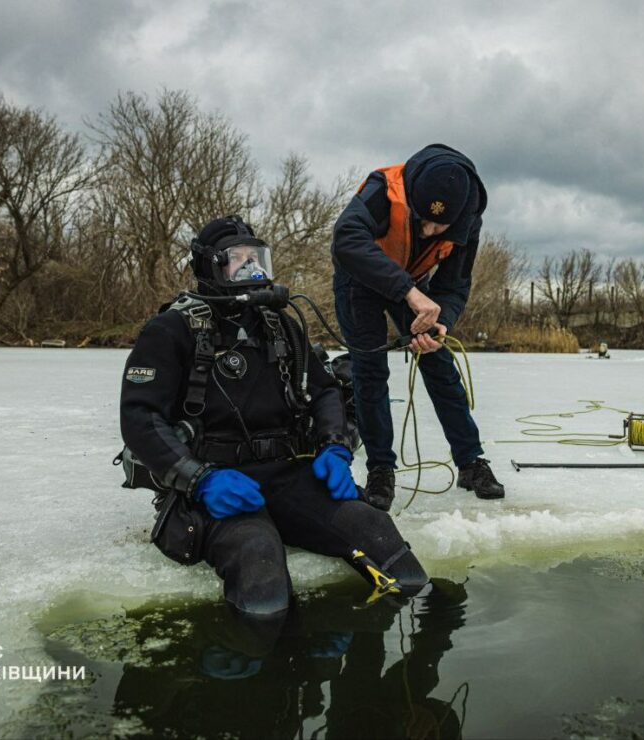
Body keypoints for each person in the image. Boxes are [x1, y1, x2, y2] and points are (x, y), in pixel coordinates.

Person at [119, 215, 429, 627]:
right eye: (238, 262)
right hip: (217, 481)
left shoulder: (281, 325)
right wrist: (198, 479)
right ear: (210, 267)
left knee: (372, 525)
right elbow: (140, 417)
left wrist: (334, 446)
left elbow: (323, 391)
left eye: (258, 260)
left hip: (289, 475)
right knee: (256, 552)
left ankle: (418, 630)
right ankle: (259, 668)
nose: (252, 271)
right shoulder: (172, 330)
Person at [331, 143, 506, 510]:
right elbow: (346, 238)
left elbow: (455, 283)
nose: (428, 231)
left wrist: (440, 322)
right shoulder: (384, 188)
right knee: (370, 371)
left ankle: (471, 461)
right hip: (361, 279)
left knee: (440, 365)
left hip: (412, 283)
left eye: (438, 225)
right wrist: (408, 292)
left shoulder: (468, 219)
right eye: (421, 219)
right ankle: (381, 469)